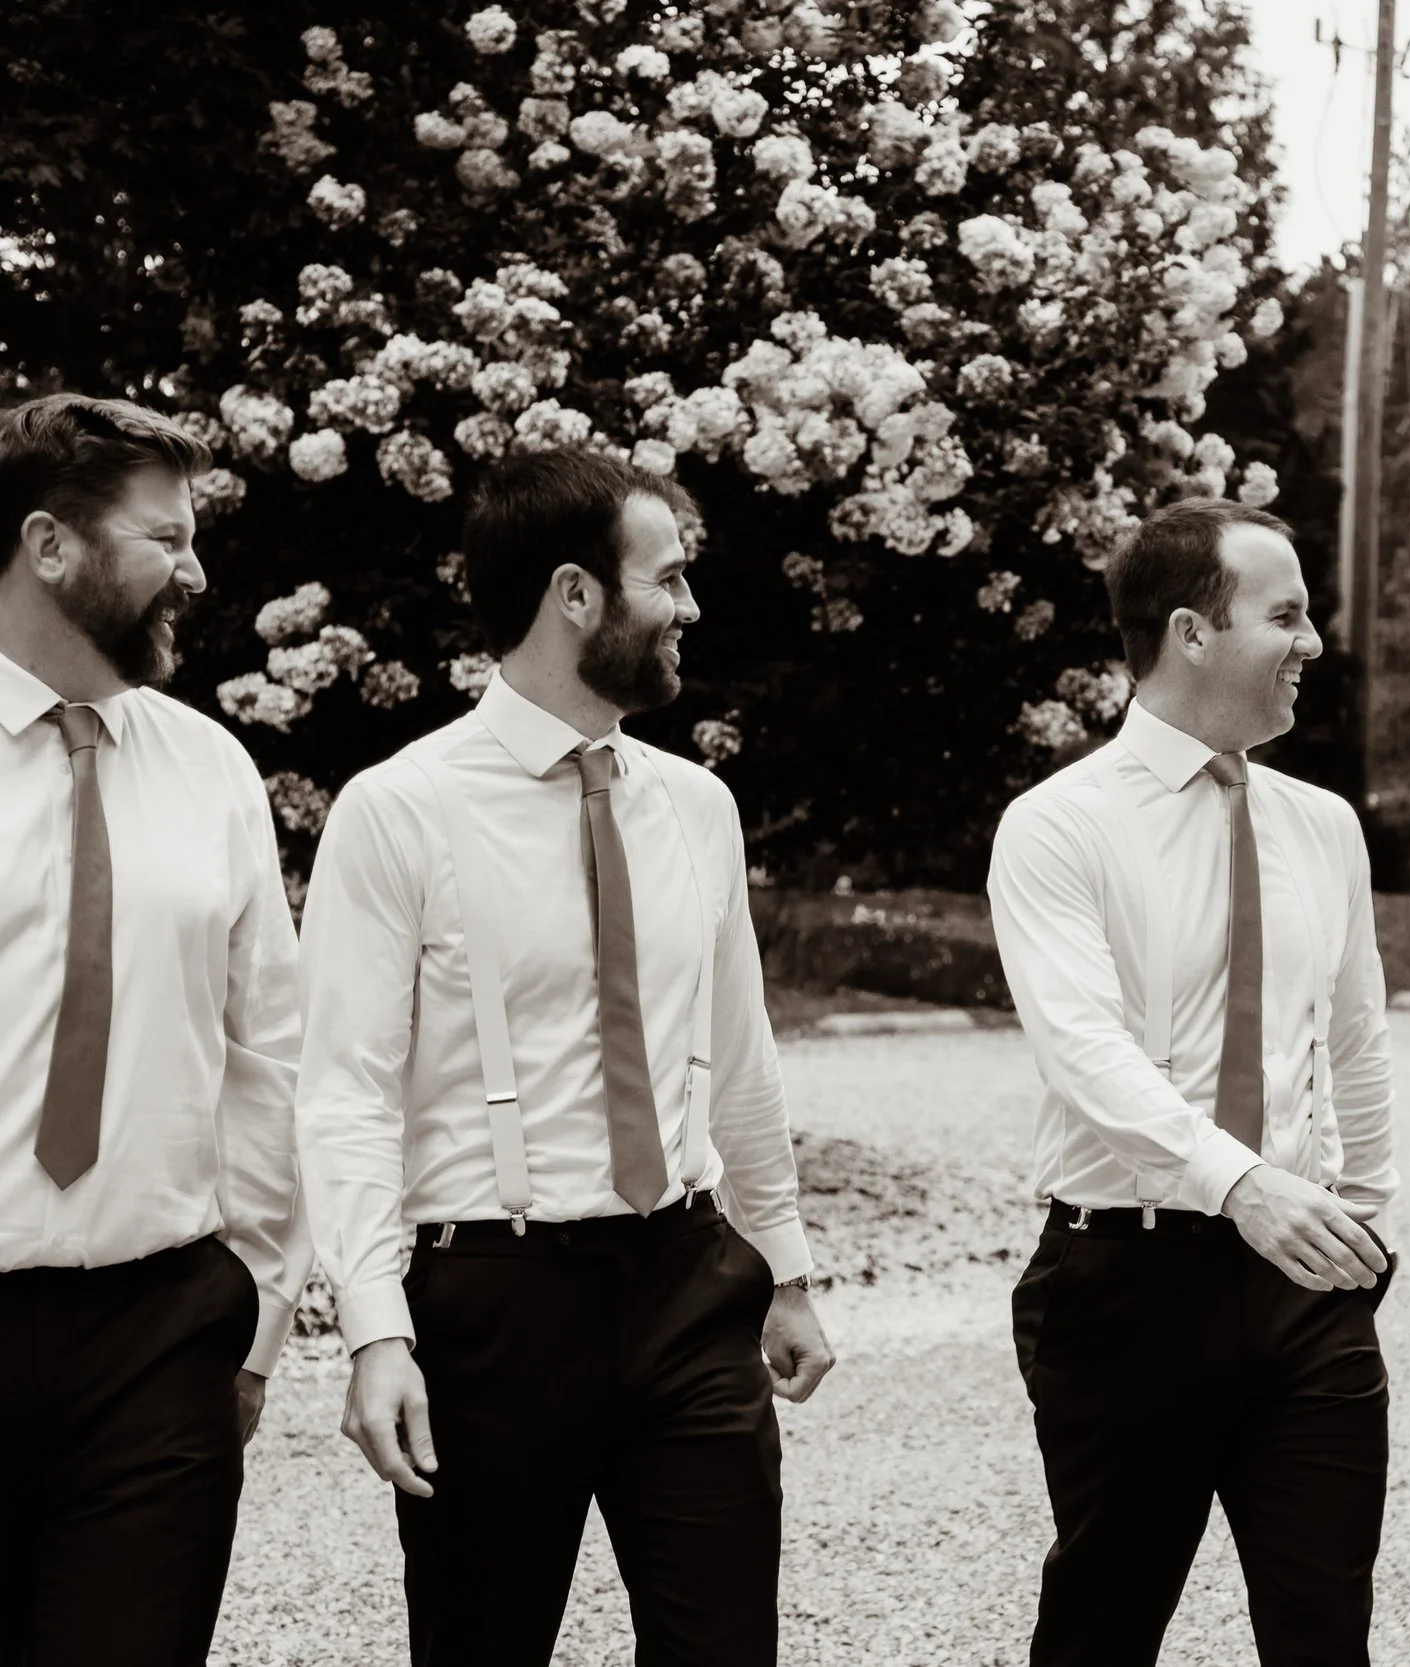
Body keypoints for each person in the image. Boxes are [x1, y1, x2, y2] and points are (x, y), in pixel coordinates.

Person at [294, 448, 834, 1666]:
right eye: (668, 579)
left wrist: (785, 1263)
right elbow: (345, 1092)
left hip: (687, 1280)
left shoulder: (695, 804)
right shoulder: (399, 807)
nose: (691, 607)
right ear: (575, 595)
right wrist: (375, 1329)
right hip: (493, 1300)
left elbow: (739, 1051)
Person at [988, 497, 1397, 1667]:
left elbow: (1355, 1036)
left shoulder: (1323, 826)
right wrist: (1242, 1186)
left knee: (1325, 1632)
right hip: (1127, 1280)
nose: (1312, 641)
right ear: (1191, 631)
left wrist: (1368, 1215)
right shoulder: (1056, 826)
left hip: (1309, 1287)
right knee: (1104, 1624)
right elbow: (1086, 1050)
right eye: (1286, 614)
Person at [0, 394, 310, 1665]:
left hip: (163, 1340)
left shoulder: (212, 768)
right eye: (165, 539)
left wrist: (259, 1314)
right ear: (49, 544)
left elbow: (269, 1053)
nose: (196, 572)